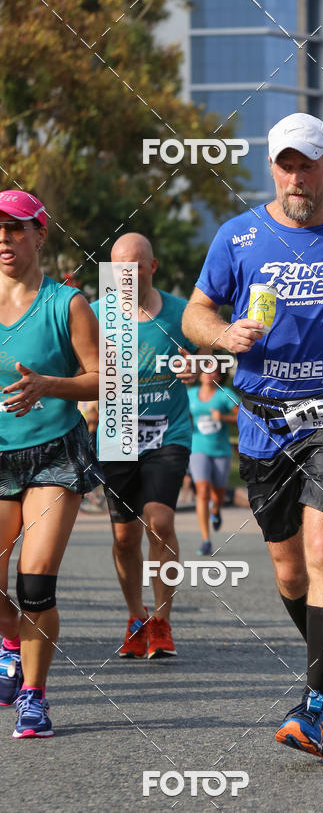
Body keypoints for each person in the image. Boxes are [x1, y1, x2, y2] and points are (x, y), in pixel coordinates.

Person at [182, 112, 323, 758]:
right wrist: (222, 335)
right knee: (287, 573)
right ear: (272, 169)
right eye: (285, 164)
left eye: (307, 163)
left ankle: (315, 703)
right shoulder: (238, 236)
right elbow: (199, 310)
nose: (296, 177)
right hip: (262, 417)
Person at [0, 190, 101, 737]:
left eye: (16, 228)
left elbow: (104, 377)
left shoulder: (68, 304)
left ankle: (34, 697)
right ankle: (9, 644)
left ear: (40, 233)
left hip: (52, 456)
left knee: (34, 585)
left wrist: (49, 385)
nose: (4, 238)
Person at [92, 234, 197, 660]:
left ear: (152, 267)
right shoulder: (97, 315)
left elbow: (209, 356)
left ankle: (162, 621)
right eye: (119, 268)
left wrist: (199, 365)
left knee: (160, 522)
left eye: (135, 266)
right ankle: (136, 616)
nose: (127, 275)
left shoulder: (181, 314)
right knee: (123, 536)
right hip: (116, 434)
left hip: (167, 432)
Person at [187, 370, 239, 555]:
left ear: (218, 377)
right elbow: (182, 416)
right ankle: (206, 540)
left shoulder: (225, 394)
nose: (208, 375)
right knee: (202, 491)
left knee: (218, 494)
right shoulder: (190, 394)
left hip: (221, 450)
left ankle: (216, 510)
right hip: (197, 448)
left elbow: (242, 417)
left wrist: (223, 417)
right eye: (205, 371)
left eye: (213, 372)